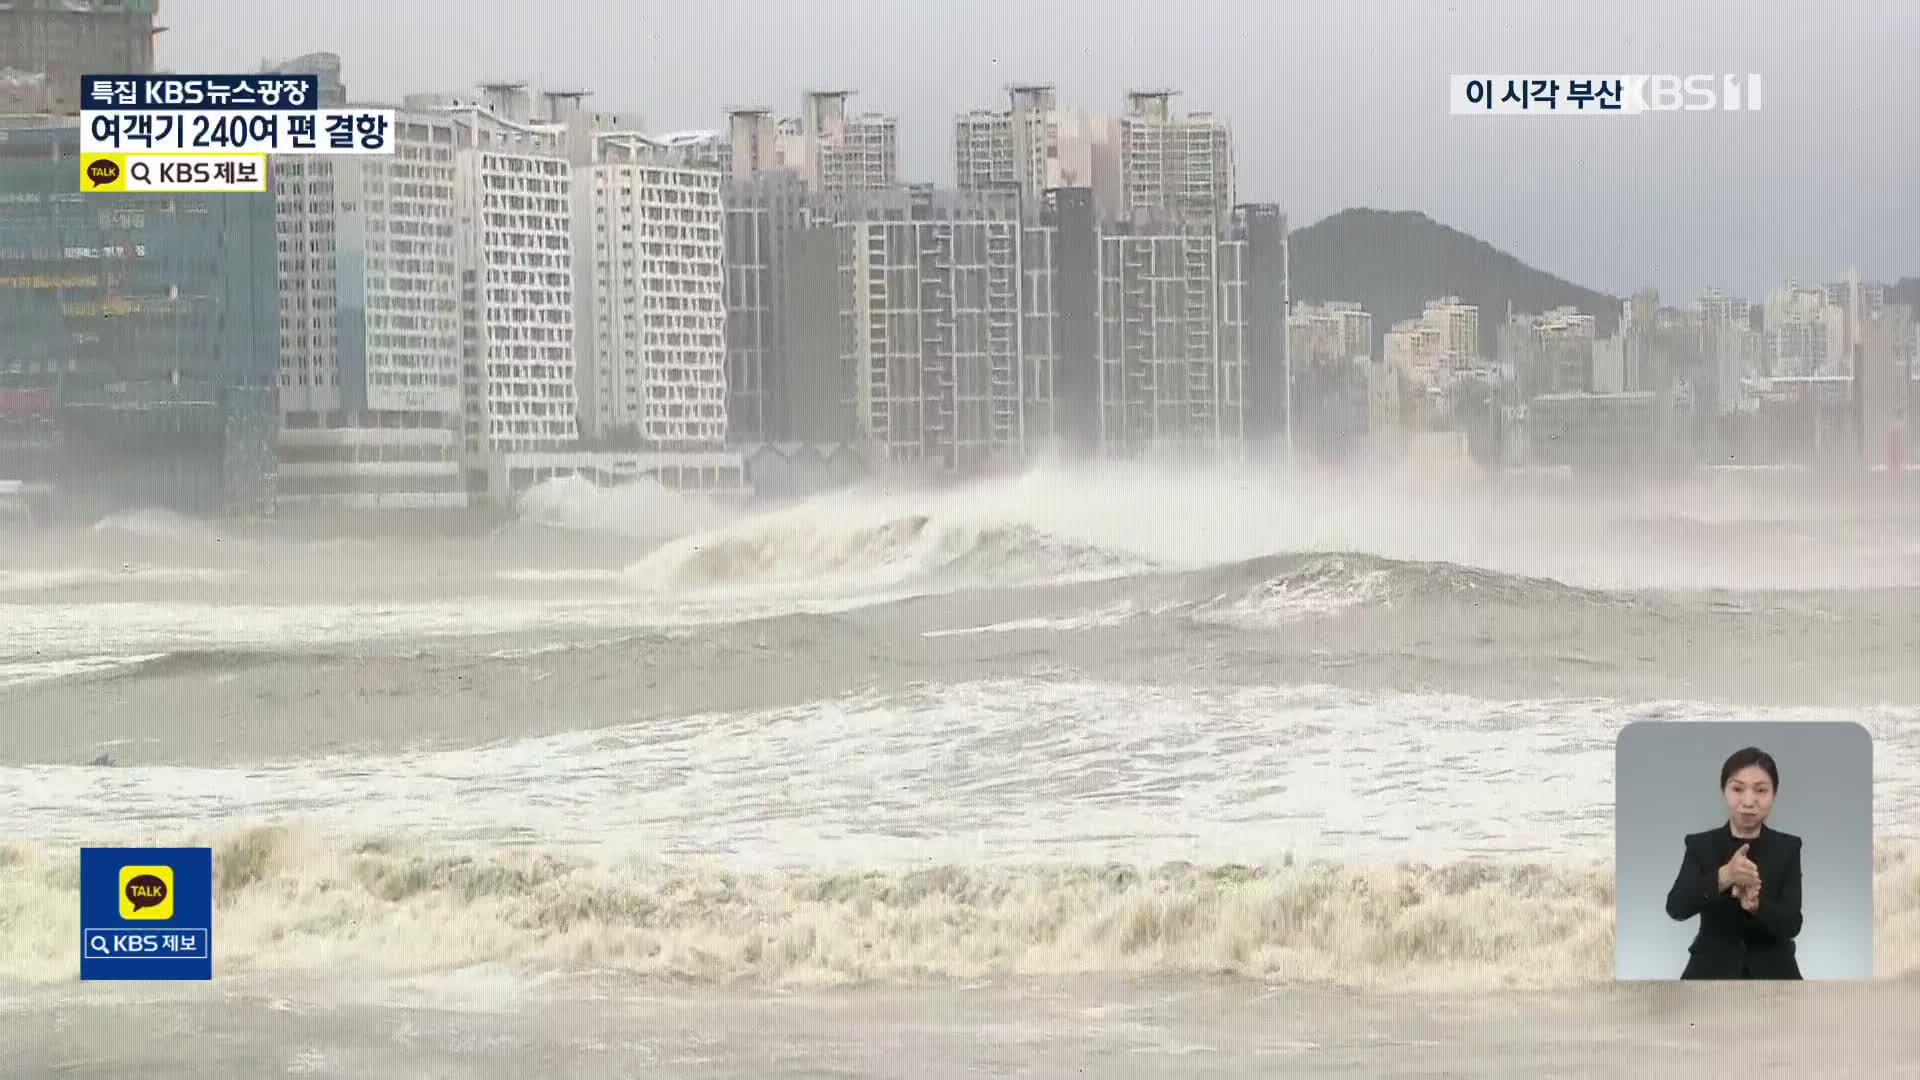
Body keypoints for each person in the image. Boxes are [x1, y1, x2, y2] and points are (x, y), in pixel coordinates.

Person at [1663, 747, 1804, 979]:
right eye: (1737, 789)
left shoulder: (1788, 847)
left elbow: (1792, 925)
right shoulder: (1700, 845)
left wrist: (1758, 905)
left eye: (1761, 790)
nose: (1749, 801)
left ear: (1774, 794)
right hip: (1709, 971)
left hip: (1776, 972)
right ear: (1724, 791)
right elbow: (1676, 907)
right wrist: (1723, 877)